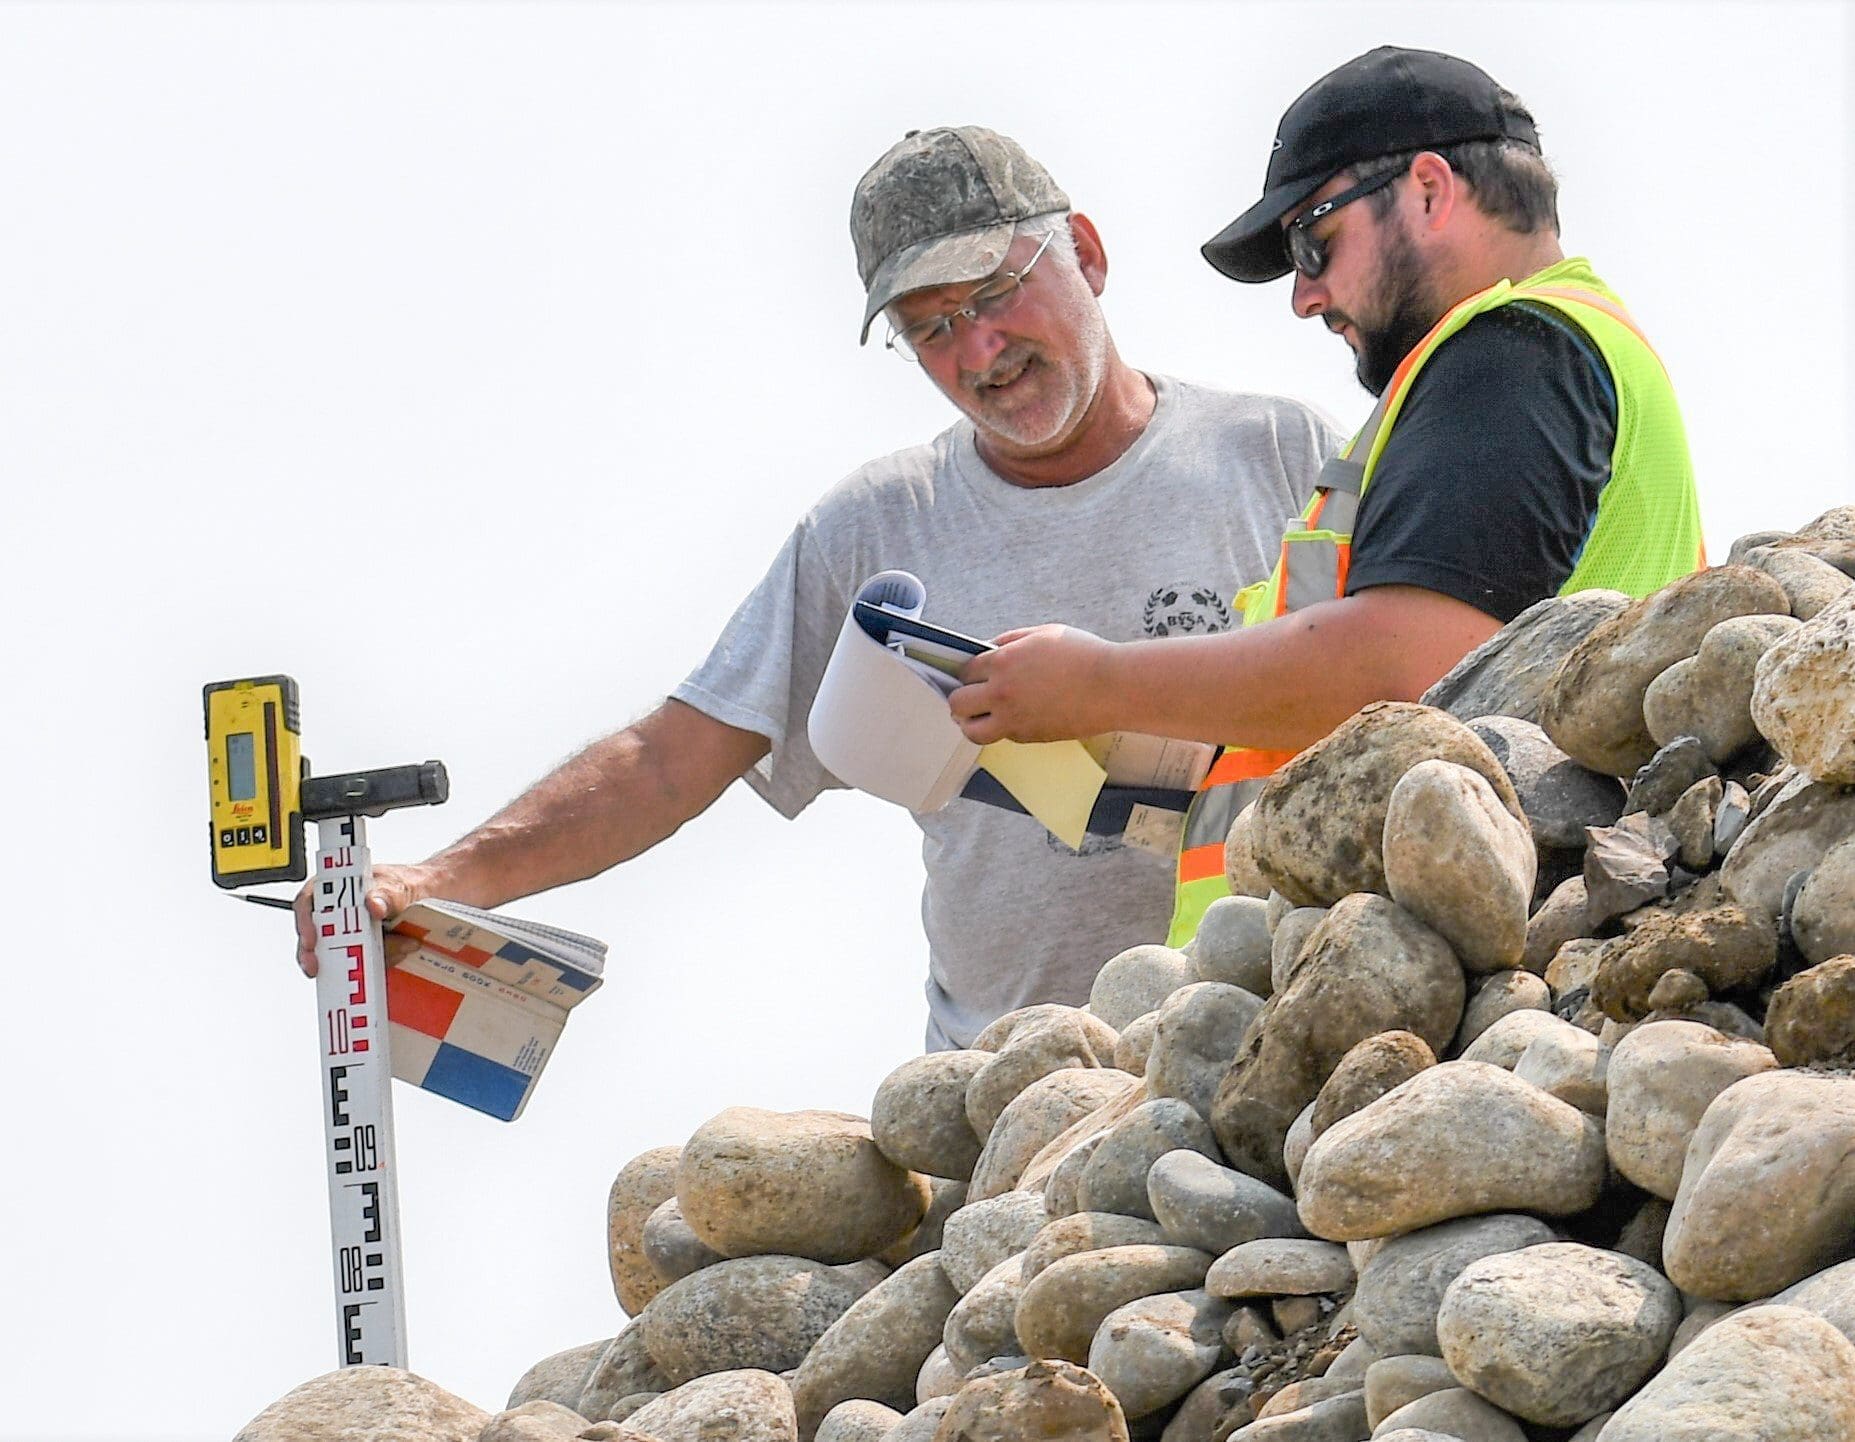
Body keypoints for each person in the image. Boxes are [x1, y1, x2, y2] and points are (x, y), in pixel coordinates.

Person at [294, 125, 1340, 1049]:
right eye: (930, 327)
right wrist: (436, 881)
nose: (979, 350)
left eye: (993, 295)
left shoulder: (1275, 455)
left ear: (1088, 255)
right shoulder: (878, 527)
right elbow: (669, 758)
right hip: (1001, 1095)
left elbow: (1397, 690)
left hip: (1254, 1039)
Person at [948, 48, 1705, 945]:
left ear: (1428, 191)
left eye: (1314, 242)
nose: (1304, 296)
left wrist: (1098, 684)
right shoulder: (1550, 353)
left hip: (1412, 974)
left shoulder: (1511, 354)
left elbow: (1402, 668)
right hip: (1399, 961)